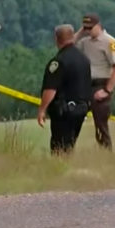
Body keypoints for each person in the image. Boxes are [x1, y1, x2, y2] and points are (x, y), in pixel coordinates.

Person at [38, 24, 93, 154]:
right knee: (70, 145)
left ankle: (60, 170)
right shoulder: (84, 59)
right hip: (81, 109)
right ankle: (67, 169)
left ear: (56, 39)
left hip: (64, 111)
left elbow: (50, 89)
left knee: (59, 147)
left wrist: (42, 109)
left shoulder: (59, 61)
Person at [75, 13, 115, 151]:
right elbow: (67, 46)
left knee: (101, 125)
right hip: (85, 85)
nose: (88, 31)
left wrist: (107, 90)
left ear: (98, 25)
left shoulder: (110, 42)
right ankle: (66, 150)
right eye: (86, 28)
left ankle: (106, 153)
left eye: (91, 28)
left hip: (101, 85)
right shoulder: (84, 42)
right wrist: (80, 32)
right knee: (74, 118)